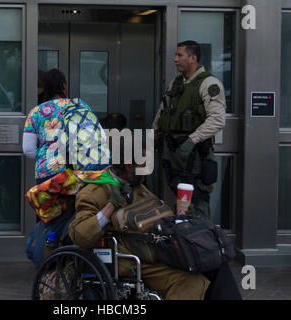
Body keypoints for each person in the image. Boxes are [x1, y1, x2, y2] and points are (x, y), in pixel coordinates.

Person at [69, 141, 210, 300]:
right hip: (129, 260)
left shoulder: (135, 184)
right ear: (129, 166)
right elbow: (81, 235)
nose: (147, 171)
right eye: (144, 165)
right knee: (190, 281)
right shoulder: (94, 192)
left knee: (208, 262)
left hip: (152, 249)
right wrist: (111, 205)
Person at [152, 40, 226, 218]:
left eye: (180, 55)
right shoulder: (177, 83)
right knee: (180, 200)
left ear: (193, 58)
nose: (175, 59)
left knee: (197, 202)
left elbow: (217, 120)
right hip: (175, 153)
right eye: (175, 55)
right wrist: (153, 138)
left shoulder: (208, 84)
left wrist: (192, 140)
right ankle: (184, 240)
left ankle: (201, 241)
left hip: (196, 155)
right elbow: (163, 112)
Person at [23, 68, 108, 184]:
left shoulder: (35, 112)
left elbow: (28, 150)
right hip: (80, 172)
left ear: (44, 89)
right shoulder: (80, 106)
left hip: (48, 175)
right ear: (64, 86)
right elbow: (101, 137)